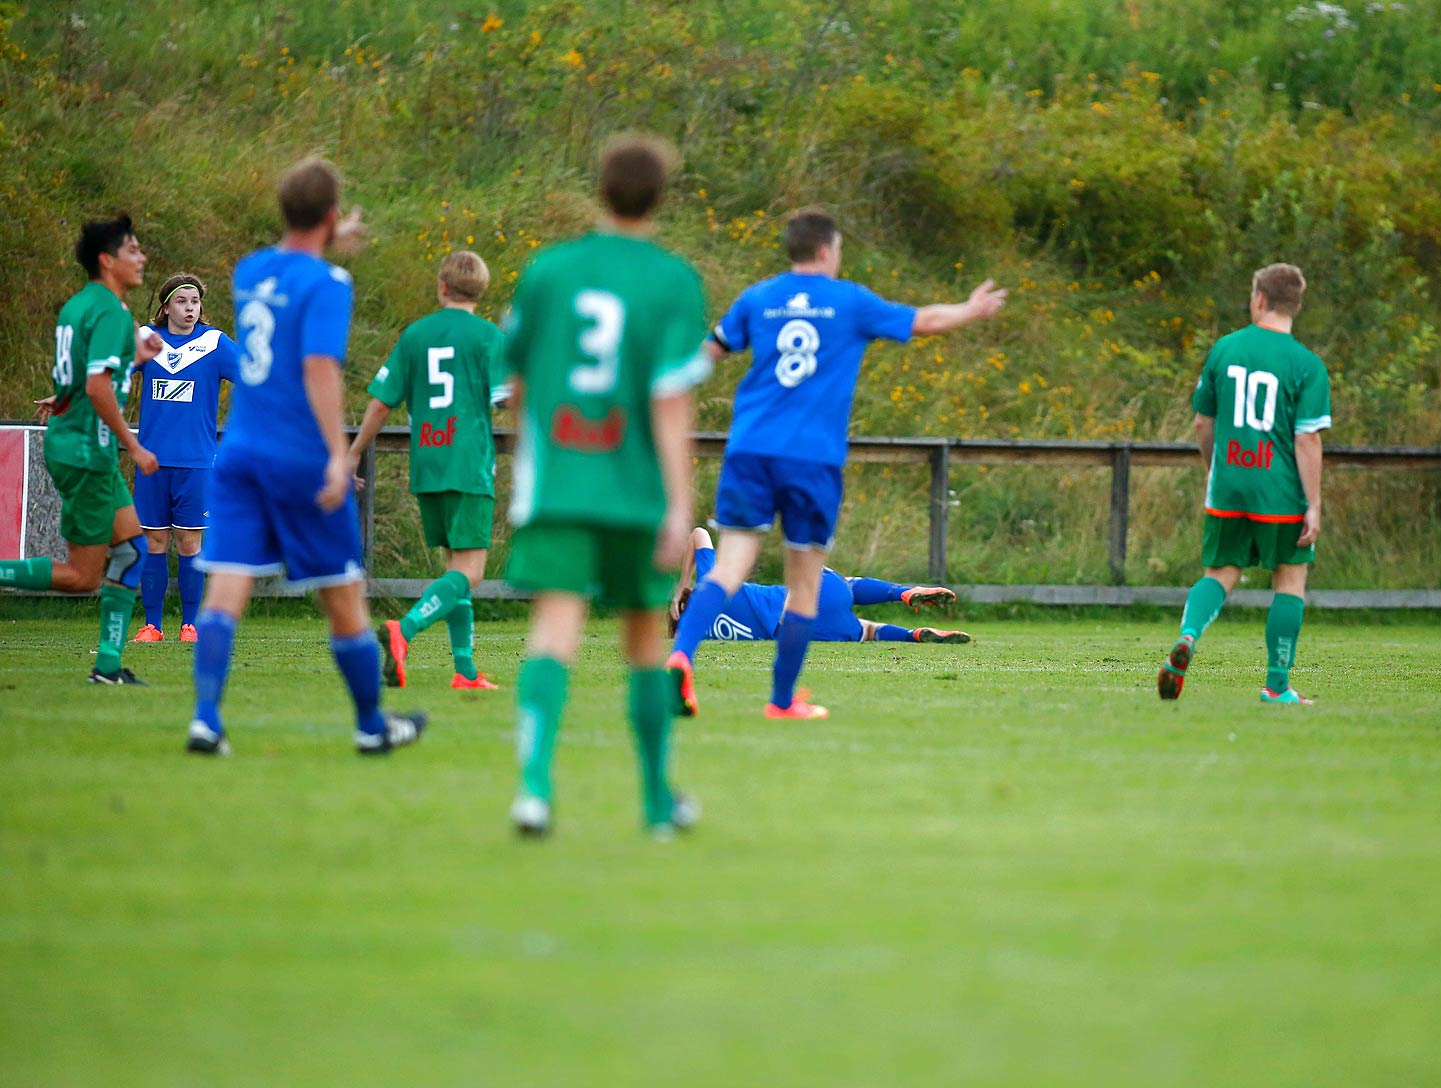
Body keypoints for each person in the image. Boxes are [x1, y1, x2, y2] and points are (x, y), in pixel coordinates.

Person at [666, 207, 1005, 720]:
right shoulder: (849, 301)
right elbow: (928, 320)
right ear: (827, 250)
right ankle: (781, 701)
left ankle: (679, 658)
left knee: (730, 566)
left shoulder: (757, 298)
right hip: (810, 458)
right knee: (804, 582)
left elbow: (705, 357)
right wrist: (972, 309)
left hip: (750, 449)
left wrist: (660, 388)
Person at [503, 133, 711, 839]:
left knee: (555, 628)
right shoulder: (674, 280)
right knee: (644, 638)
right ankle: (656, 802)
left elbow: (521, 381)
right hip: (634, 490)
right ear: (661, 196)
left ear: (597, 188)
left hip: (560, 481)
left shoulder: (548, 271)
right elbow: (669, 401)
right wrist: (679, 505)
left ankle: (534, 789)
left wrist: (533, 466)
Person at [185, 157, 427, 755]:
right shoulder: (329, 284)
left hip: (238, 452)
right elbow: (318, 365)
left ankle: (206, 719)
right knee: (342, 592)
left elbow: (288, 266)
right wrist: (337, 455)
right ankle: (372, 727)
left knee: (226, 587)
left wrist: (325, 237)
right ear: (331, 215)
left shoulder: (250, 270)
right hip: (297, 454)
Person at [0, 214, 163, 684]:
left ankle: (108, 668)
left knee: (133, 550)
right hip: (89, 451)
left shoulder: (80, 306)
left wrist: (133, 358)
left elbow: (85, 376)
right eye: (132, 250)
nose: (141, 257)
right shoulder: (112, 312)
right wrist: (133, 444)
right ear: (107, 260)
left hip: (79, 444)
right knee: (83, 576)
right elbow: (97, 386)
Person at [1156, 263, 1330, 706]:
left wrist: (1217, 470)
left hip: (1229, 483)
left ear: (1258, 299)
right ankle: (1277, 685)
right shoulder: (1307, 365)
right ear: (1297, 305)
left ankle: (1189, 637)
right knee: (1289, 580)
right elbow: (1307, 437)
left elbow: (1202, 422)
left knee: (1220, 572)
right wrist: (1313, 503)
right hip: (1281, 491)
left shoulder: (1225, 349)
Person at [349, 251, 510, 691]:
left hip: (429, 462)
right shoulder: (488, 337)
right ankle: (406, 630)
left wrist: (354, 453)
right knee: (471, 572)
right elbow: (509, 398)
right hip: (468, 462)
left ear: (442, 287)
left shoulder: (415, 335)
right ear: (481, 290)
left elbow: (382, 402)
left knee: (454, 569)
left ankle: (465, 670)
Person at [129, 273, 241, 643]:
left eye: (195, 301)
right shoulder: (146, 340)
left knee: (190, 545)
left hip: (196, 463)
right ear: (165, 307)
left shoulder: (214, 344)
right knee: (154, 543)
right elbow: (107, 375)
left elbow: (256, 377)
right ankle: (153, 626)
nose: (190, 308)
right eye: (182, 301)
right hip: (151, 463)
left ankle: (190, 625)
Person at [668, 526, 969, 649]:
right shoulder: (710, 584)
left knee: (866, 631)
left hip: (801, 632)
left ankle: (911, 636)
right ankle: (900, 592)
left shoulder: (700, 634)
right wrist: (681, 585)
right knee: (844, 585)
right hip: (807, 598)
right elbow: (699, 533)